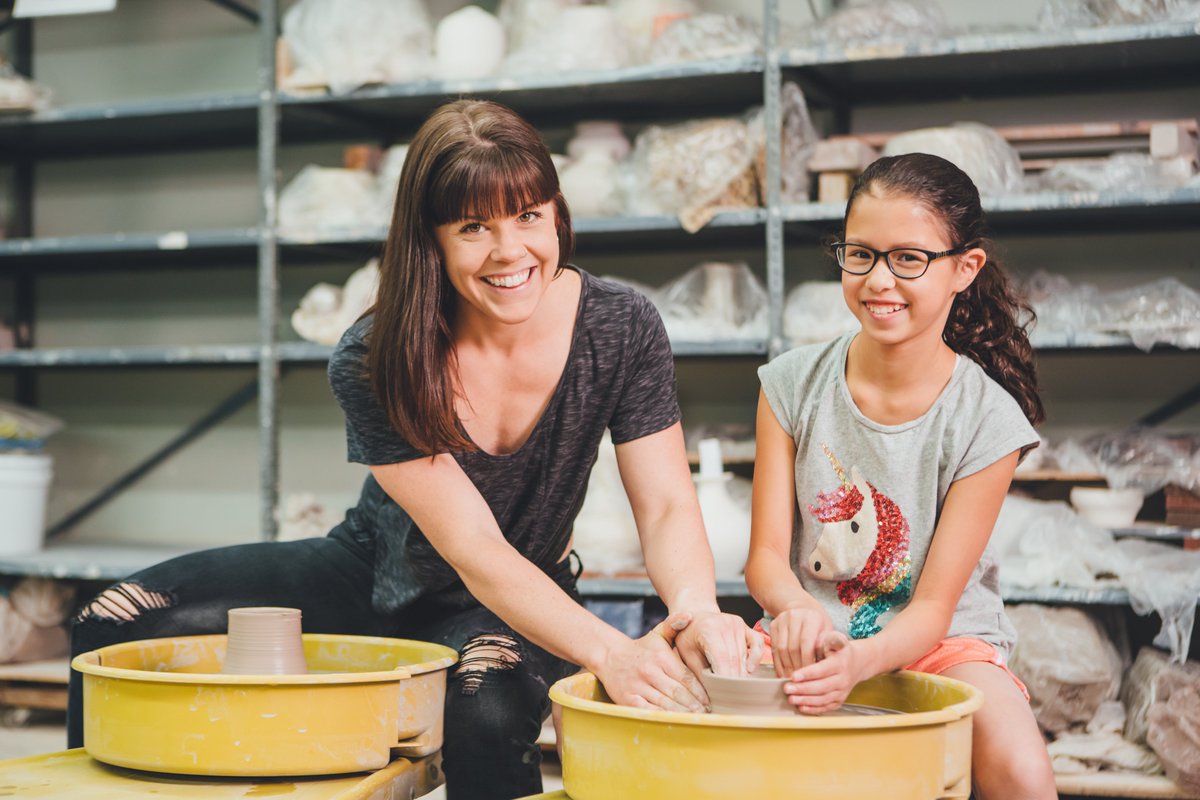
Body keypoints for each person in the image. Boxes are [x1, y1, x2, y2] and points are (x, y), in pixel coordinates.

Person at [69, 99, 761, 800]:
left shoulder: (620, 327)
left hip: (518, 600)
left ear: (557, 211)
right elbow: (473, 549)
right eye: (473, 227)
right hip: (369, 570)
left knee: (483, 707)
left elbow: (670, 504)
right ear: (429, 240)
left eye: (528, 214)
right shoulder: (376, 356)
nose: (510, 251)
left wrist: (696, 609)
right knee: (115, 619)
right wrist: (615, 652)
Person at [745, 153, 1056, 799]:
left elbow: (935, 607)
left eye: (908, 258)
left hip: (941, 639)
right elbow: (767, 559)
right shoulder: (790, 384)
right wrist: (797, 609)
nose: (879, 280)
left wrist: (859, 662)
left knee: (1025, 777)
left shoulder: (987, 419)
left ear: (963, 270)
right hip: (808, 629)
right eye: (860, 254)